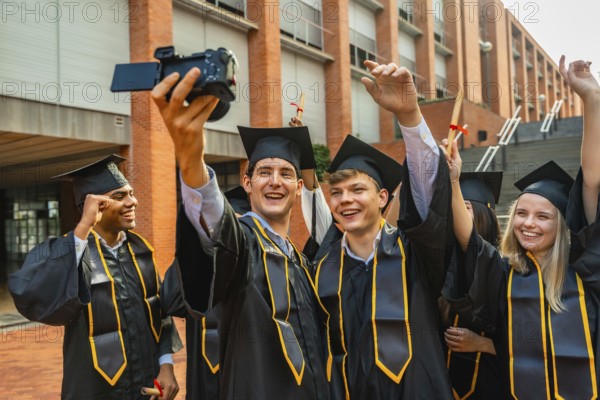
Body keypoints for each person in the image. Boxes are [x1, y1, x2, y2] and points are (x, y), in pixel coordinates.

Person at [151, 68, 330, 399]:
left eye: (285, 174)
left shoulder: (301, 262)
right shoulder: (244, 243)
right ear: (247, 184)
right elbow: (217, 227)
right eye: (264, 172)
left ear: (298, 186)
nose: (275, 181)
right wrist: (191, 162)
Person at [443, 56, 600, 398]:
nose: (528, 224)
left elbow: (591, 181)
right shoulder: (505, 274)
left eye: (543, 216)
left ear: (564, 224)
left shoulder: (586, 268)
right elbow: (469, 237)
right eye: (521, 213)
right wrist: (453, 181)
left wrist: (591, 98)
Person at [313, 60, 454, 399]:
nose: (346, 200)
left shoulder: (416, 252)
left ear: (382, 197)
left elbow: (428, 196)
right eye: (337, 193)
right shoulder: (320, 270)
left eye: (357, 190)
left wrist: (409, 117)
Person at [8, 155, 182, 400]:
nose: (133, 201)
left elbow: (159, 311)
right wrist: (83, 227)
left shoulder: (141, 251)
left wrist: (166, 364)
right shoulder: (68, 252)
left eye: (131, 193)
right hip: (94, 390)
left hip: (146, 385)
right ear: (92, 206)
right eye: (119, 196)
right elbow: (28, 291)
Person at [441, 171, 504, 399]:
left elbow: (535, 346)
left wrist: (484, 344)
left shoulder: (506, 269)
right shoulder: (442, 266)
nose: (455, 214)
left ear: (484, 214)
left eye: (464, 206)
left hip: (493, 386)